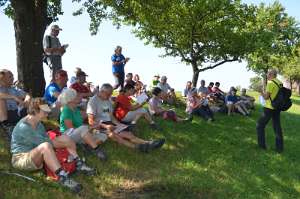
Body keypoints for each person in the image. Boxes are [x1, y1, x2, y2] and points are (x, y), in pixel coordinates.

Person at [10, 98, 94, 192]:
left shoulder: (38, 124)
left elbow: (48, 140)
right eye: (44, 112)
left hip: (35, 153)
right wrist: (63, 142)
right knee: (46, 146)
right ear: (35, 111)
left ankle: (78, 163)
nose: (47, 114)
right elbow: (46, 143)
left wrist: (65, 140)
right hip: (21, 158)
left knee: (64, 138)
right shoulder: (24, 127)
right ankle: (62, 177)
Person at [87, 83, 165, 152]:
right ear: (102, 91)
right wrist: (106, 126)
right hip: (100, 126)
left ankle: (149, 143)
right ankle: (139, 147)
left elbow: (110, 115)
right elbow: (91, 121)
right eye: (108, 94)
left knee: (129, 134)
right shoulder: (93, 101)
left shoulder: (107, 100)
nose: (109, 96)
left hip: (110, 123)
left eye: (110, 94)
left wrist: (118, 124)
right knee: (116, 136)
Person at [59, 88, 108, 161]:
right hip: (68, 135)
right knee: (84, 128)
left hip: (80, 133)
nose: (79, 97)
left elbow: (82, 124)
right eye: (76, 96)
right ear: (71, 99)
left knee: (103, 135)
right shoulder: (66, 110)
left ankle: (88, 146)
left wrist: (92, 128)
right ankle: (96, 150)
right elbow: (70, 129)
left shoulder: (76, 109)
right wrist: (89, 128)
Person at [256, 69, 284, 152]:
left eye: (268, 74)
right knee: (277, 127)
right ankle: (279, 148)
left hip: (269, 108)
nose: (267, 75)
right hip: (277, 107)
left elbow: (266, 97)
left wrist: (260, 91)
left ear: (271, 74)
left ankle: (262, 146)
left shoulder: (270, 83)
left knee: (260, 125)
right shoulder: (279, 82)